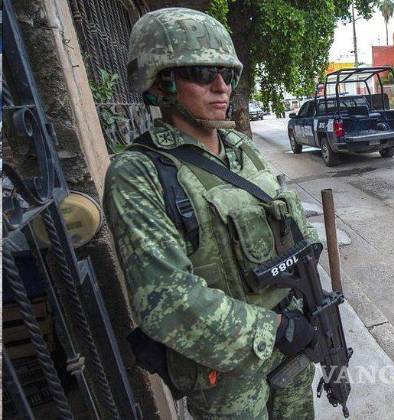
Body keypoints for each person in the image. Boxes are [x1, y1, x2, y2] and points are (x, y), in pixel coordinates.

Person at [104, 8, 319, 419]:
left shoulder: (241, 149)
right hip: (227, 378)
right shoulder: (138, 172)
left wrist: (310, 295)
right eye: (202, 73)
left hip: (291, 347)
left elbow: (287, 223)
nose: (222, 87)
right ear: (161, 82)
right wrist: (275, 330)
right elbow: (167, 302)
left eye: (228, 74)